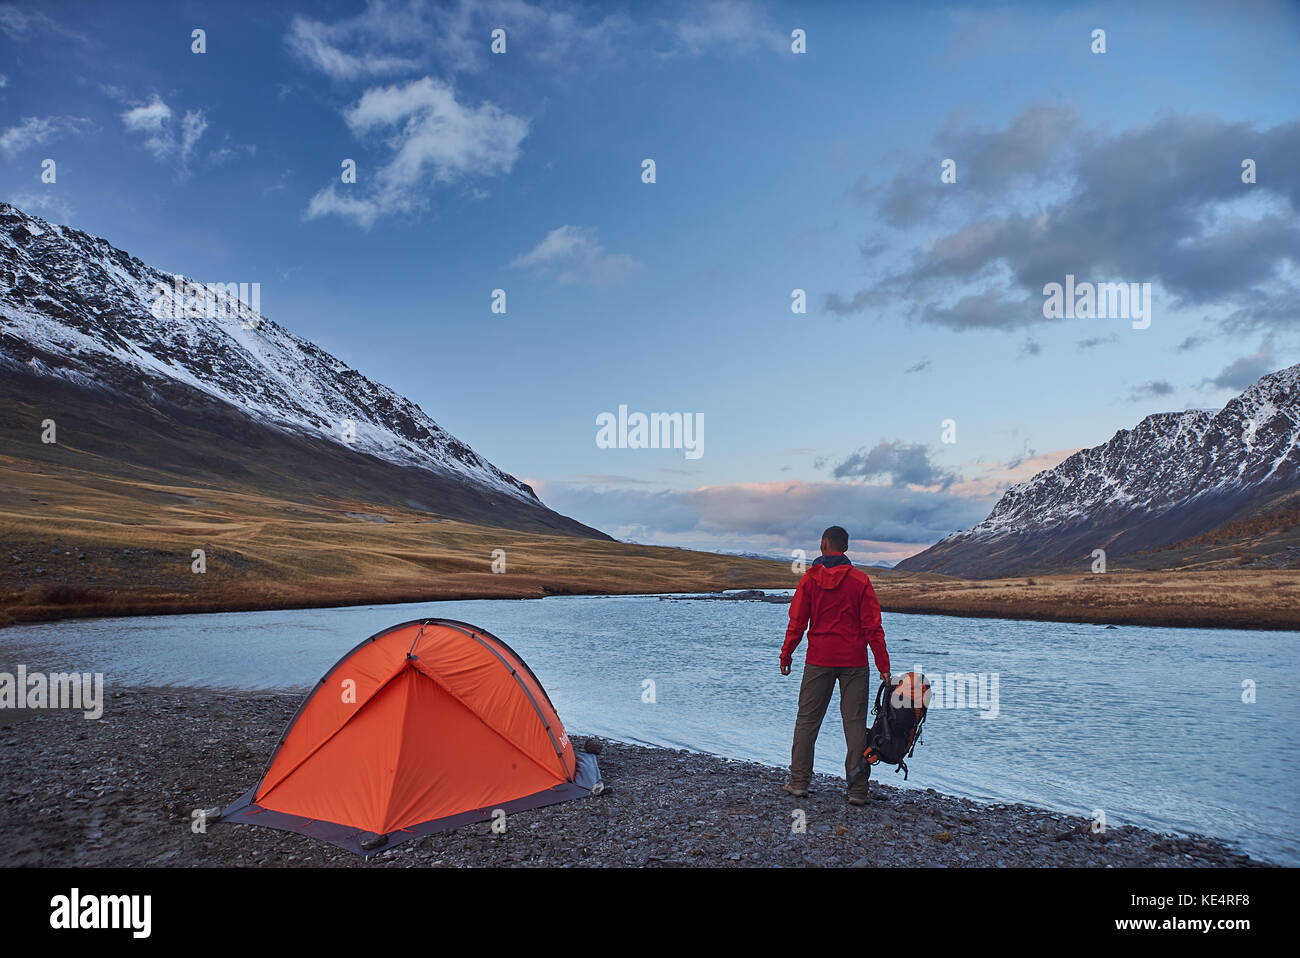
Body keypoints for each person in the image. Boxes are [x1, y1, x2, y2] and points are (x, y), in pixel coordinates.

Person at [780, 525, 890, 805]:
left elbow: (797, 622)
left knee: (807, 721)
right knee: (854, 725)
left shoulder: (809, 580)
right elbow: (873, 627)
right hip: (854, 661)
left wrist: (787, 654)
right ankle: (856, 790)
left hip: (819, 659)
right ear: (846, 548)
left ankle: (798, 782)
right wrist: (883, 664)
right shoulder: (860, 580)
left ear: (823, 545)